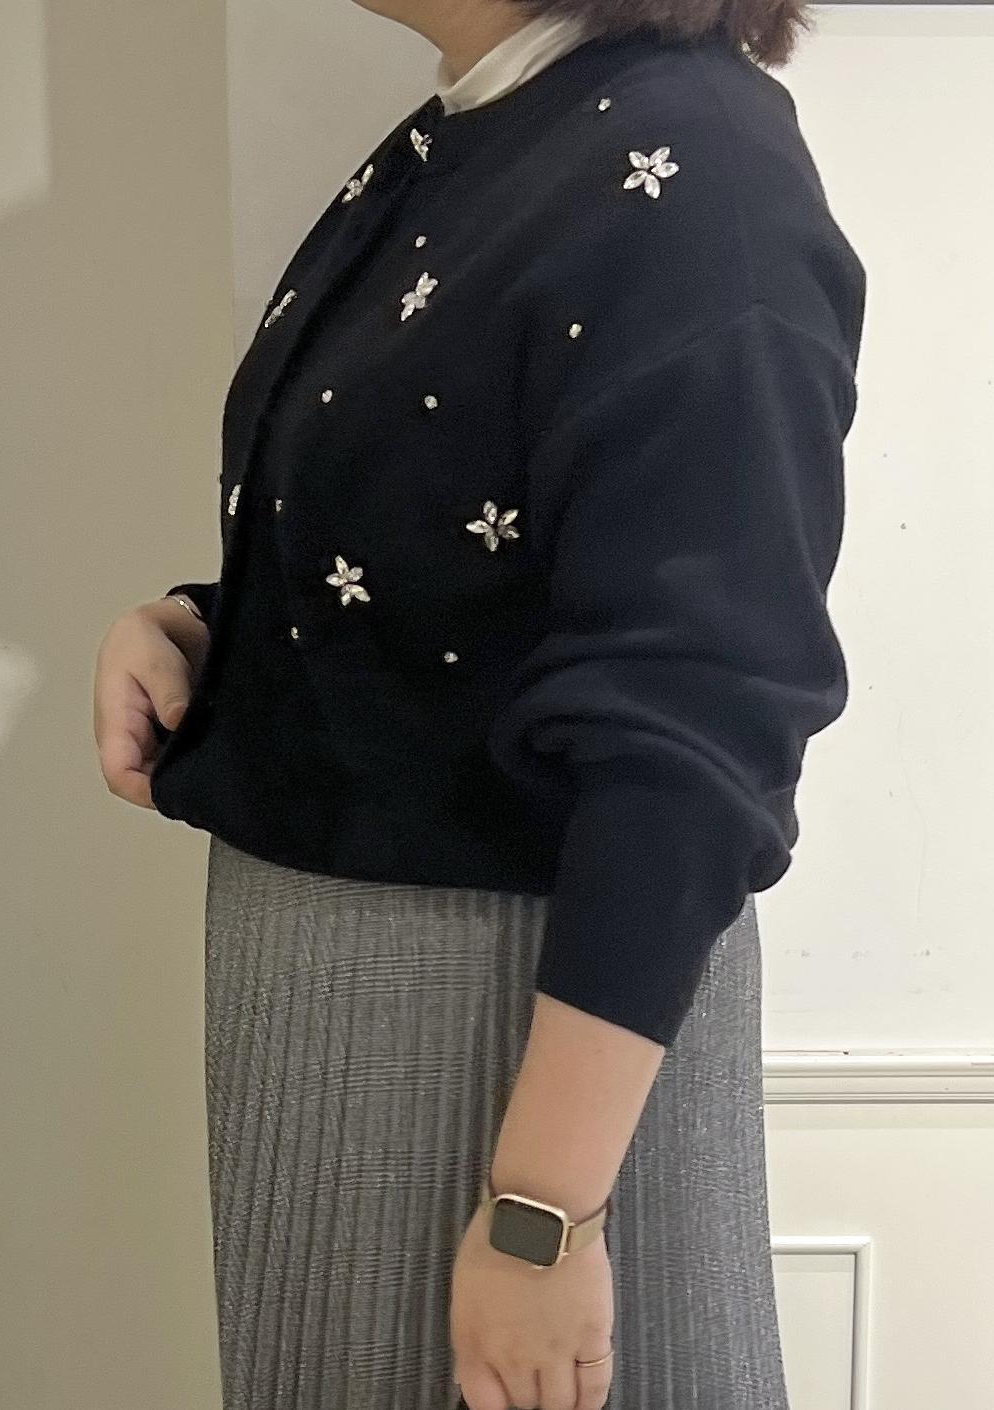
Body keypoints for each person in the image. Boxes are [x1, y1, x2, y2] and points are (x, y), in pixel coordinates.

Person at [93, 0, 866, 1406]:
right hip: (350, 1021)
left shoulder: (697, 169)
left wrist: (539, 1213)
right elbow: (454, 556)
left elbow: (696, 726)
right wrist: (208, 628)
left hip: (500, 1036)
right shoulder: (491, 126)